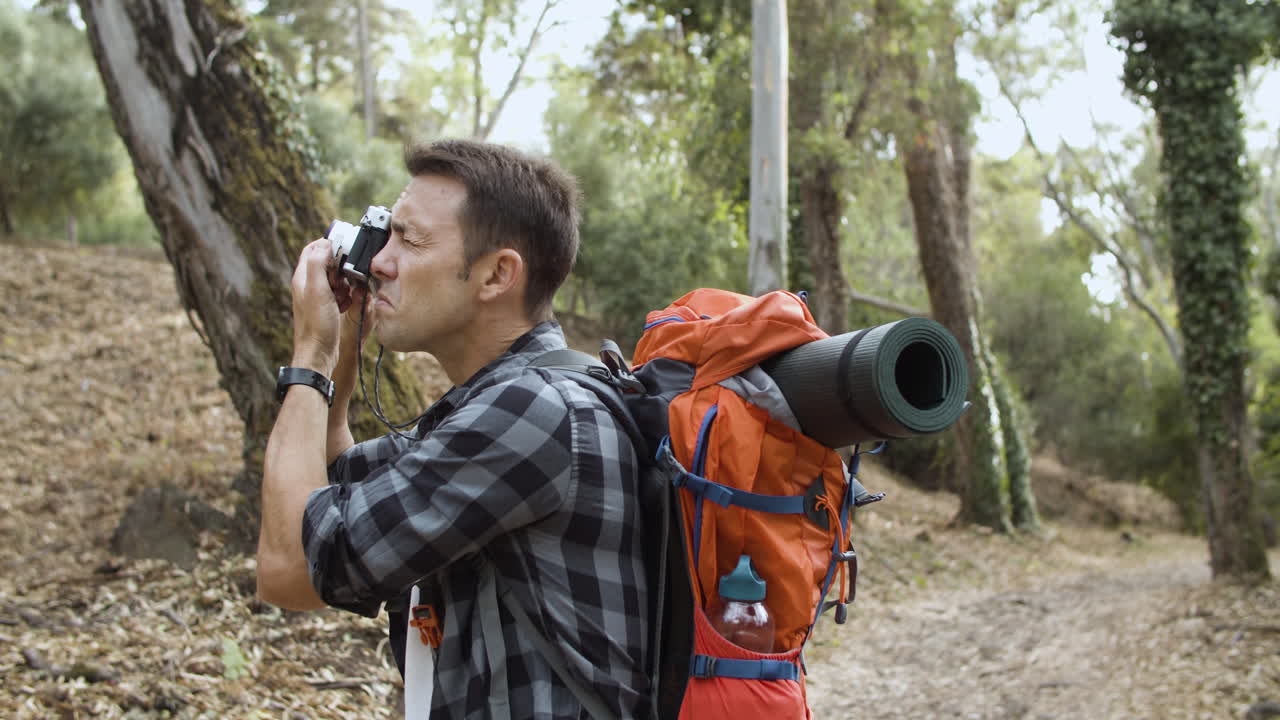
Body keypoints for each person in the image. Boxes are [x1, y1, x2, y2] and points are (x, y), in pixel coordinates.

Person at [256, 139, 650, 719]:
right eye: (385, 235)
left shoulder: (533, 413)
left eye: (409, 240)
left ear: (496, 275)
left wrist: (310, 355)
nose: (380, 262)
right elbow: (326, 489)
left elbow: (290, 568)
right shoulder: (493, 407)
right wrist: (340, 341)